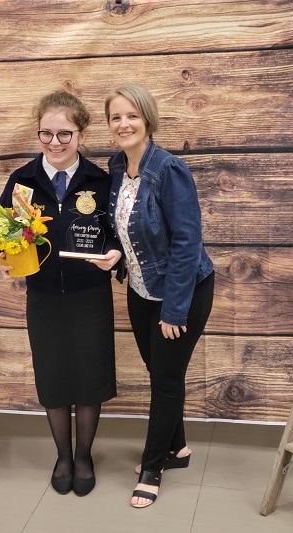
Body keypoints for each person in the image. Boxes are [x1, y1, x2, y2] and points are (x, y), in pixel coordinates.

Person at [0, 90, 122, 497]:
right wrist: (3, 254)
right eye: (45, 134)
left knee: (89, 375)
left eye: (64, 134)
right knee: (52, 375)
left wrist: (114, 256)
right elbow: (2, 233)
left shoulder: (101, 182)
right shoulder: (22, 182)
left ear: (82, 134)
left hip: (90, 296)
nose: (54, 142)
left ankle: (83, 456)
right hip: (44, 296)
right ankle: (62, 456)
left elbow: (119, 238)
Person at [104, 83, 214, 508]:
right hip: (139, 289)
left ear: (147, 119)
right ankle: (178, 448)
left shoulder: (168, 169)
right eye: (116, 116)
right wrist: (115, 255)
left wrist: (174, 309)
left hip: (181, 291)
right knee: (162, 374)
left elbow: (188, 242)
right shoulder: (117, 168)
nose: (124, 123)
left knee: (165, 381)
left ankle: (152, 468)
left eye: (132, 115)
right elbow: (126, 231)